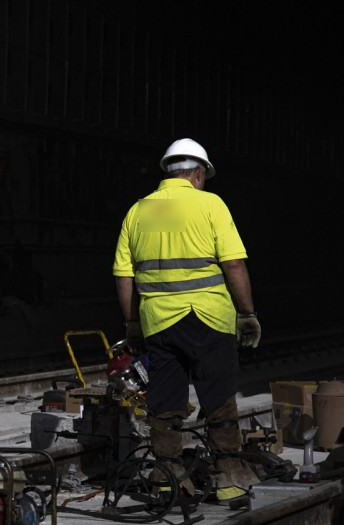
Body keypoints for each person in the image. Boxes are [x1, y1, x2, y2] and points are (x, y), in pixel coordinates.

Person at [112, 138, 263, 500]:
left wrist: (133, 325)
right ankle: (228, 478)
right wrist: (247, 313)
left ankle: (168, 478)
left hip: (160, 323)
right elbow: (234, 264)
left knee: (164, 402)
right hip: (209, 318)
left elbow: (123, 276)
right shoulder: (210, 204)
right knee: (219, 398)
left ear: (169, 172)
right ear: (197, 173)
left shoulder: (139, 211)